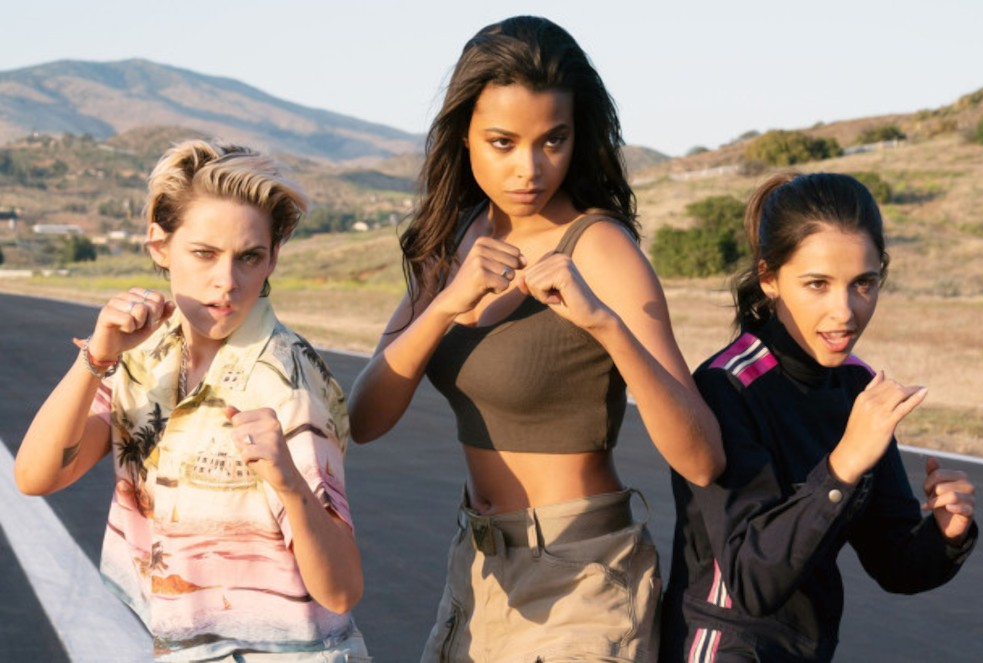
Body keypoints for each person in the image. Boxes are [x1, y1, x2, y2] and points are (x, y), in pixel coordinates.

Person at [347, 15, 724, 662]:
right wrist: (444, 305)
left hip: (581, 579)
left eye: (553, 140)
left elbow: (701, 458)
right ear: (463, 136)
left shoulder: (600, 247)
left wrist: (604, 325)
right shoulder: (452, 238)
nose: (529, 168)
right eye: (502, 142)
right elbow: (365, 419)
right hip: (476, 573)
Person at [15, 140, 369, 662]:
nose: (226, 282)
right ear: (160, 247)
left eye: (249, 257)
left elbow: (341, 591)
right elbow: (37, 476)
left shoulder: (287, 384)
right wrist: (97, 356)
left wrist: (290, 485)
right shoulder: (143, 352)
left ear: (272, 258)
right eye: (204, 253)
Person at [660, 171, 978, 662]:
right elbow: (751, 581)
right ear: (769, 278)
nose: (845, 311)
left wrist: (946, 533)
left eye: (863, 284)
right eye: (817, 284)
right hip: (725, 645)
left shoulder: (856, 386)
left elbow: (894, 562)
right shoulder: (728, 386)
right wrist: (842, 466)